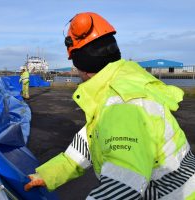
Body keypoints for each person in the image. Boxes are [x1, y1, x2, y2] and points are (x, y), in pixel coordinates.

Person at [24, 12, 195, 199]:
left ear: (80, 63)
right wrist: (46, 176)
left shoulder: (122, 105)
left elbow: (121, 188)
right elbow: (81, 152)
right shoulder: (117, 90)